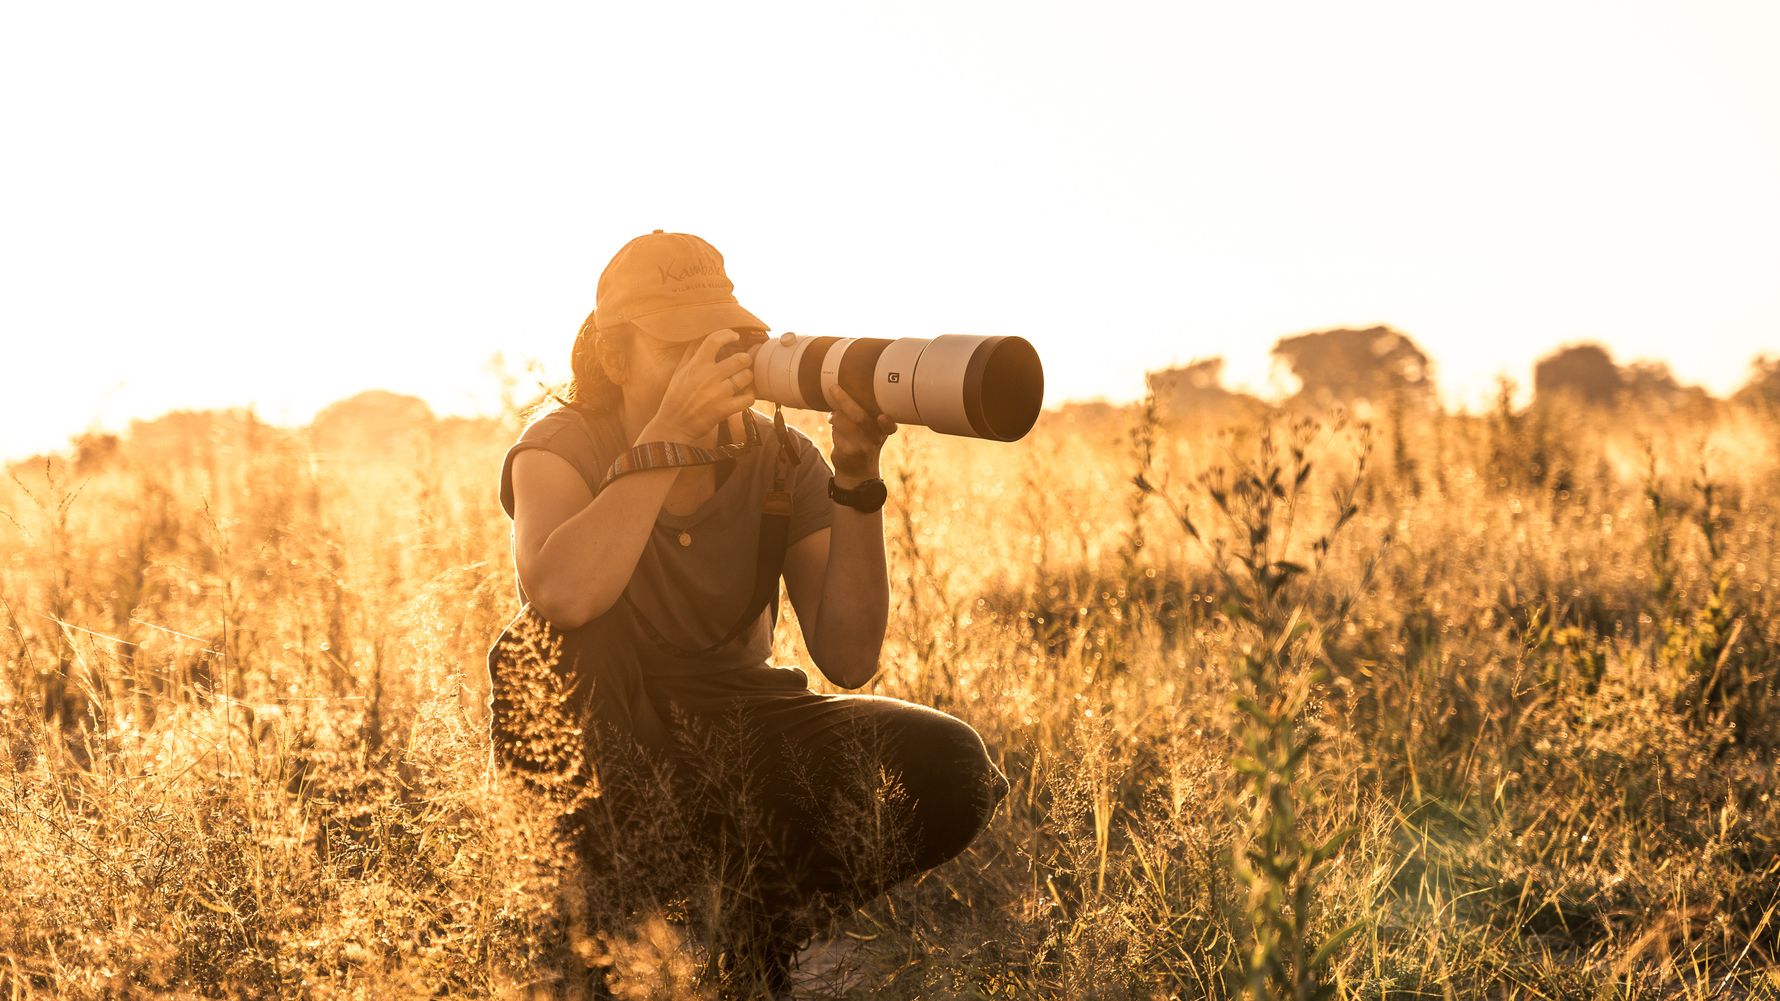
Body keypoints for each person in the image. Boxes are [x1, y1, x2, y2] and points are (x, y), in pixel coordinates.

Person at [490, 230, 1009, 998]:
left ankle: (752, 937)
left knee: (957, 767)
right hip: (614, 735)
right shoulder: (560, 445)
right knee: (558, 645)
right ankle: (600, 947)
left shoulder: (783, 457)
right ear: (616, 356)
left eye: (725, 339)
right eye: (681, 344)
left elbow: (849, 653)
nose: (714, 361)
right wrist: (668, 438)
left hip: (740, 727)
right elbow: (562, 595)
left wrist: (857, 474)